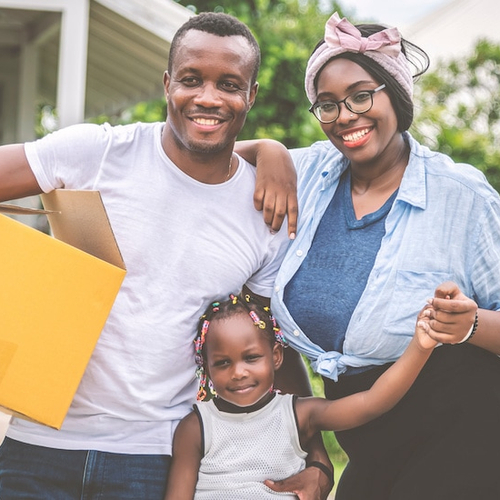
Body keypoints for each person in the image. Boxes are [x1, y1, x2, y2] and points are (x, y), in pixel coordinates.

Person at [0, 12, 332, 500]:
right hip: (37, 439)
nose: (208, 98)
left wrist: (316, 458)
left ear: (251, 96)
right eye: (192, 80)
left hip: (156, 457)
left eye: (229, 84)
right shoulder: (98, 153)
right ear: (167, 83)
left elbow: (271, 350)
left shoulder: (265, 214)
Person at [236, 11, 500, 500]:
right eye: (329, 104)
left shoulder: (462, 196)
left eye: (361, 96)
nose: (346, 116)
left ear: (396, 95)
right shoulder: (306, 175)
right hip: (366, 438)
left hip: (466, 430)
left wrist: (470, 324)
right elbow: (205, 153)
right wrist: (267, 147)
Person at [164, 289, 439, 500]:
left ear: (276, 356)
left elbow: (371, 403)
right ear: (206, 368)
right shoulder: (196, 427)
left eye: (251, 358)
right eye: (223, 363)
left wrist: (420, 347)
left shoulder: (298, 414)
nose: (238, 372)